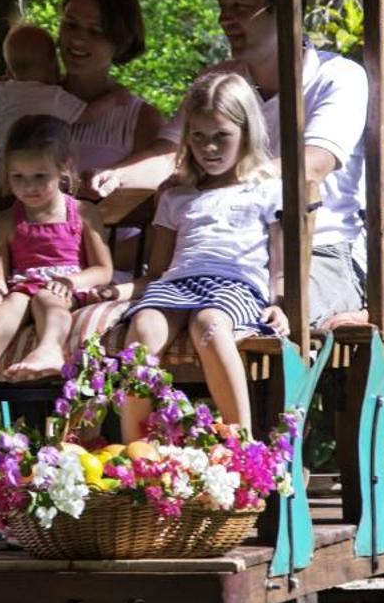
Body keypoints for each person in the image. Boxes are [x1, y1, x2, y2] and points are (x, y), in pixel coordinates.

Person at [88, 0, 368, 325]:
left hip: (318, 251)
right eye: (222, 7)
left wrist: (225, 186)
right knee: (159, 316)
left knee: (257, 316)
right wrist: (116, 176)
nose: (225, 19)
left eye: (240, 7)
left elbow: (313, 164)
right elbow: (171, 152)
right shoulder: (219, 78)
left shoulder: (339, 77)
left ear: (286, 10)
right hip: (223, 253)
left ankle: (349, 315)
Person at [117, 69, 287, 441]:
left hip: (235, 285)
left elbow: (279, 261)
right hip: (177, 284)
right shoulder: (178, 197)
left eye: (221, 137)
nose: (209, 148)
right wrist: (120, 292)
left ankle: (241, 442)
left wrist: (279, 301)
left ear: (246, 133)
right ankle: (136, 450)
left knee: (209, 325)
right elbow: (158, 271)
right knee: (144, 328)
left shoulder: (266, 190)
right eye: (198, 137)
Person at [0, 116, 115, 393]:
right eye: (18, 177)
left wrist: (71, 282)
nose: (28, 186)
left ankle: (50, 349)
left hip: (66, 289)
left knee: (47, 298)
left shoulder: (82, 213)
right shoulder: (5, 221)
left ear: (63, 168)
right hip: (22, 287)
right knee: (10, 305)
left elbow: (104, 270)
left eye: (40, 176)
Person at [55, 0, 173, 196]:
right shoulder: (32, 100)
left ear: (122, 40)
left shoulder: (142, 120)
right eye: (71, 25)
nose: (77, 39)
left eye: (95, 31)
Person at [0, 20, 88, 196]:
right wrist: (112, 99)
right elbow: (87, 115)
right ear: (52, 64)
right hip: (24, 164)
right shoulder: (53, 95)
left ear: (9, 71)